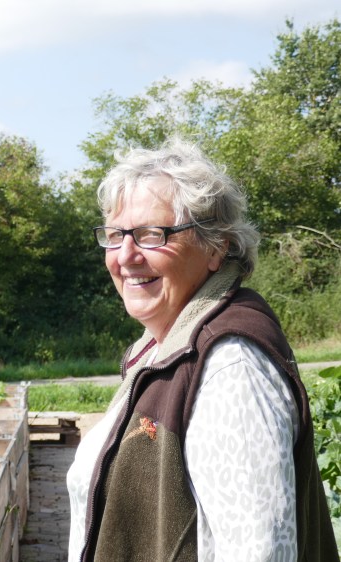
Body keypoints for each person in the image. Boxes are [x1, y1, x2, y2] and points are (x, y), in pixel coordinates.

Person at [67, 139, 338, 561]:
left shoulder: (230, 367)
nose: (126, 256)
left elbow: (260, 551)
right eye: (116, 235)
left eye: (151, 235)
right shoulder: (162, 348)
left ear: (217, 247)